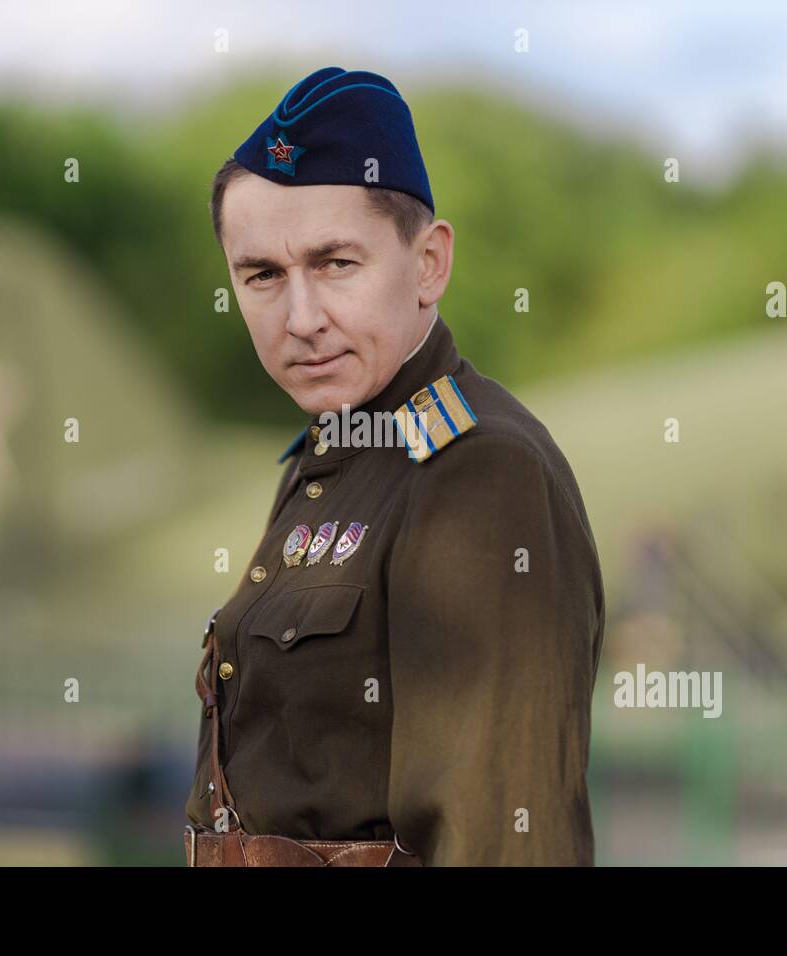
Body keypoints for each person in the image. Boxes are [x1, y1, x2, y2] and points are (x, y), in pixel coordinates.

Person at [183, 66, 606, 867]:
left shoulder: (478, 475)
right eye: (263, 275)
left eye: (336, 263)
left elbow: (504, 843)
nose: (301, 319)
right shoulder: (333, 455)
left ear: (429, 264)